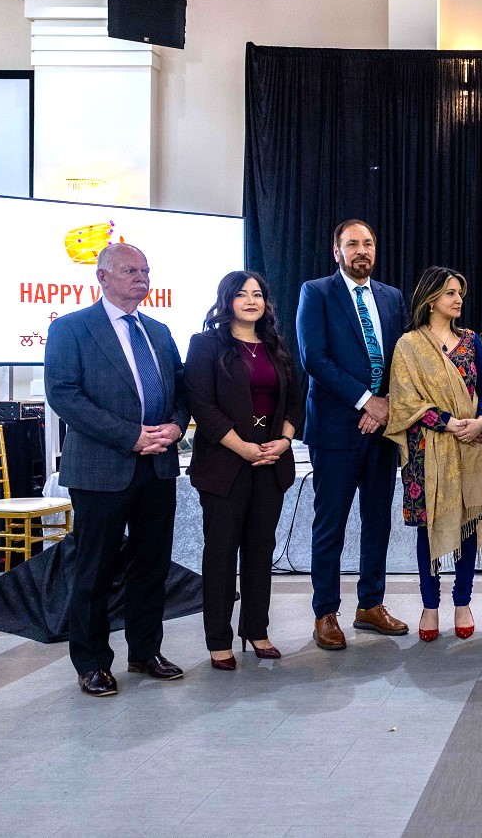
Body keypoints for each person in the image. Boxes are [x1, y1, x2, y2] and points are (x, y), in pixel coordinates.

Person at [44, 243, 189, 697]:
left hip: (158, 465)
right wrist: (130, 436)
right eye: (130, 271)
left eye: (145, 271)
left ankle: (145, 651)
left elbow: (181, 389)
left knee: (152, 565)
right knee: (96, 570)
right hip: (102, 468)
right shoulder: (71, 328)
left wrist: (175, 426)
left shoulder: (159, 331)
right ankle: (91, 663)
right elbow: (64, 394)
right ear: (102, 277)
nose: (141, 279)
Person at [296, 219, 410, 650]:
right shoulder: (316, 292)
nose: (362, 250)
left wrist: (386, 404)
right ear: (337, 251)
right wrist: (366, 401)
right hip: (336, 429)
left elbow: (404, 358)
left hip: (383, 428)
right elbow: (314, 358)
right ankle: (325, 612)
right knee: (331, 524)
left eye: (368, 243)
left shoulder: (391, 296)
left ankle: (370, 605)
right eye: (352, 244)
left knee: (378, 520)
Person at [186, 271, 305, 670]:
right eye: (241, 294)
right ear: (227, 301)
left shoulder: (276, 345)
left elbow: (295, 401)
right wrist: (244, 448)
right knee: (221, 553)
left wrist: (284, 441)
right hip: (224, 465)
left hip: (271, 463)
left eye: (257, 294)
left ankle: (256, 629)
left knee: (260, 550)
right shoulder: (205, 345)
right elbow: (201, 405)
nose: (251, 301)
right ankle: (218, 639)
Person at [386, 267, 482, 642]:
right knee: (429, 526)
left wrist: (481, 420)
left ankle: (463, 602)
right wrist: (448, 422)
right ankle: (430, 605)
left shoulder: (470, 341)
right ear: (431, 299)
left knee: (468, 524)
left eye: (460, 293)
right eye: (451, 292)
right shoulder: (409, 346)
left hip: (470, 446)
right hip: (426, 451)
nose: (458, 299)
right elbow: (405, 401)